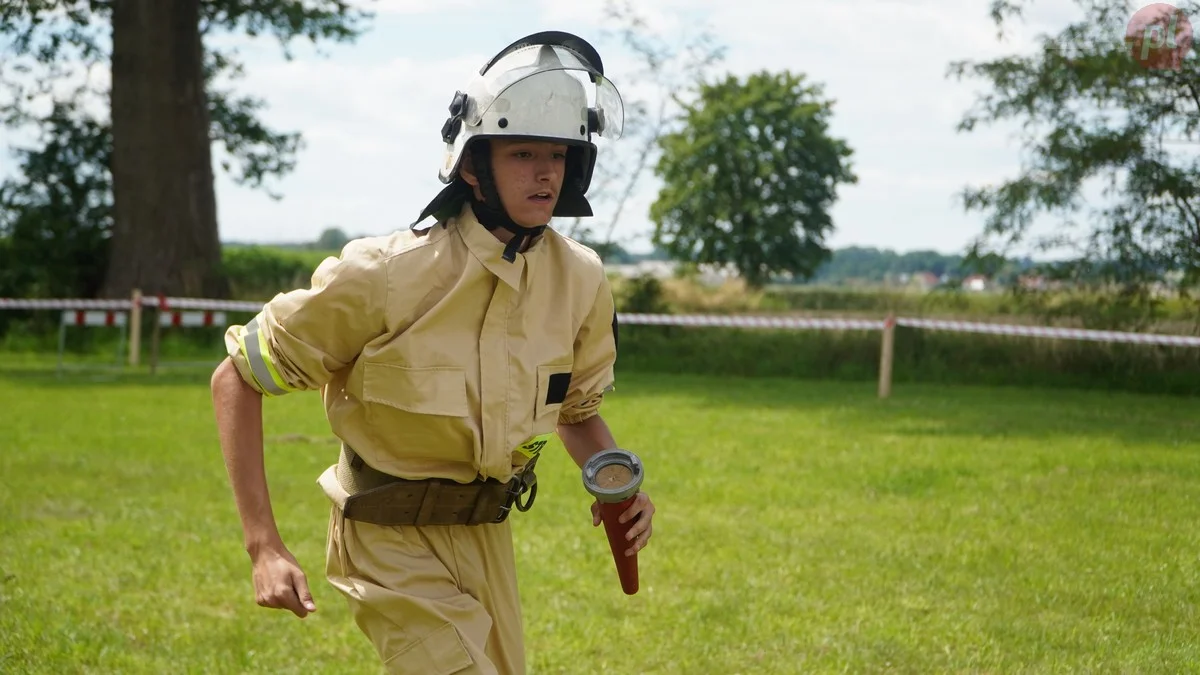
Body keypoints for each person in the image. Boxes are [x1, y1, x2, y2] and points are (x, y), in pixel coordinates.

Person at [209, 31, 655, 675]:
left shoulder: (580, 279)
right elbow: (237, 376)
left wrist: (616, 481)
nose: (546, 171)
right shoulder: (385, 273)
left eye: (558, 153)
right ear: (473, 165)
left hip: (487, 537)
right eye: (523, 152)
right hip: (383, 541)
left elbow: (576, 410)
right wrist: (263, 546)